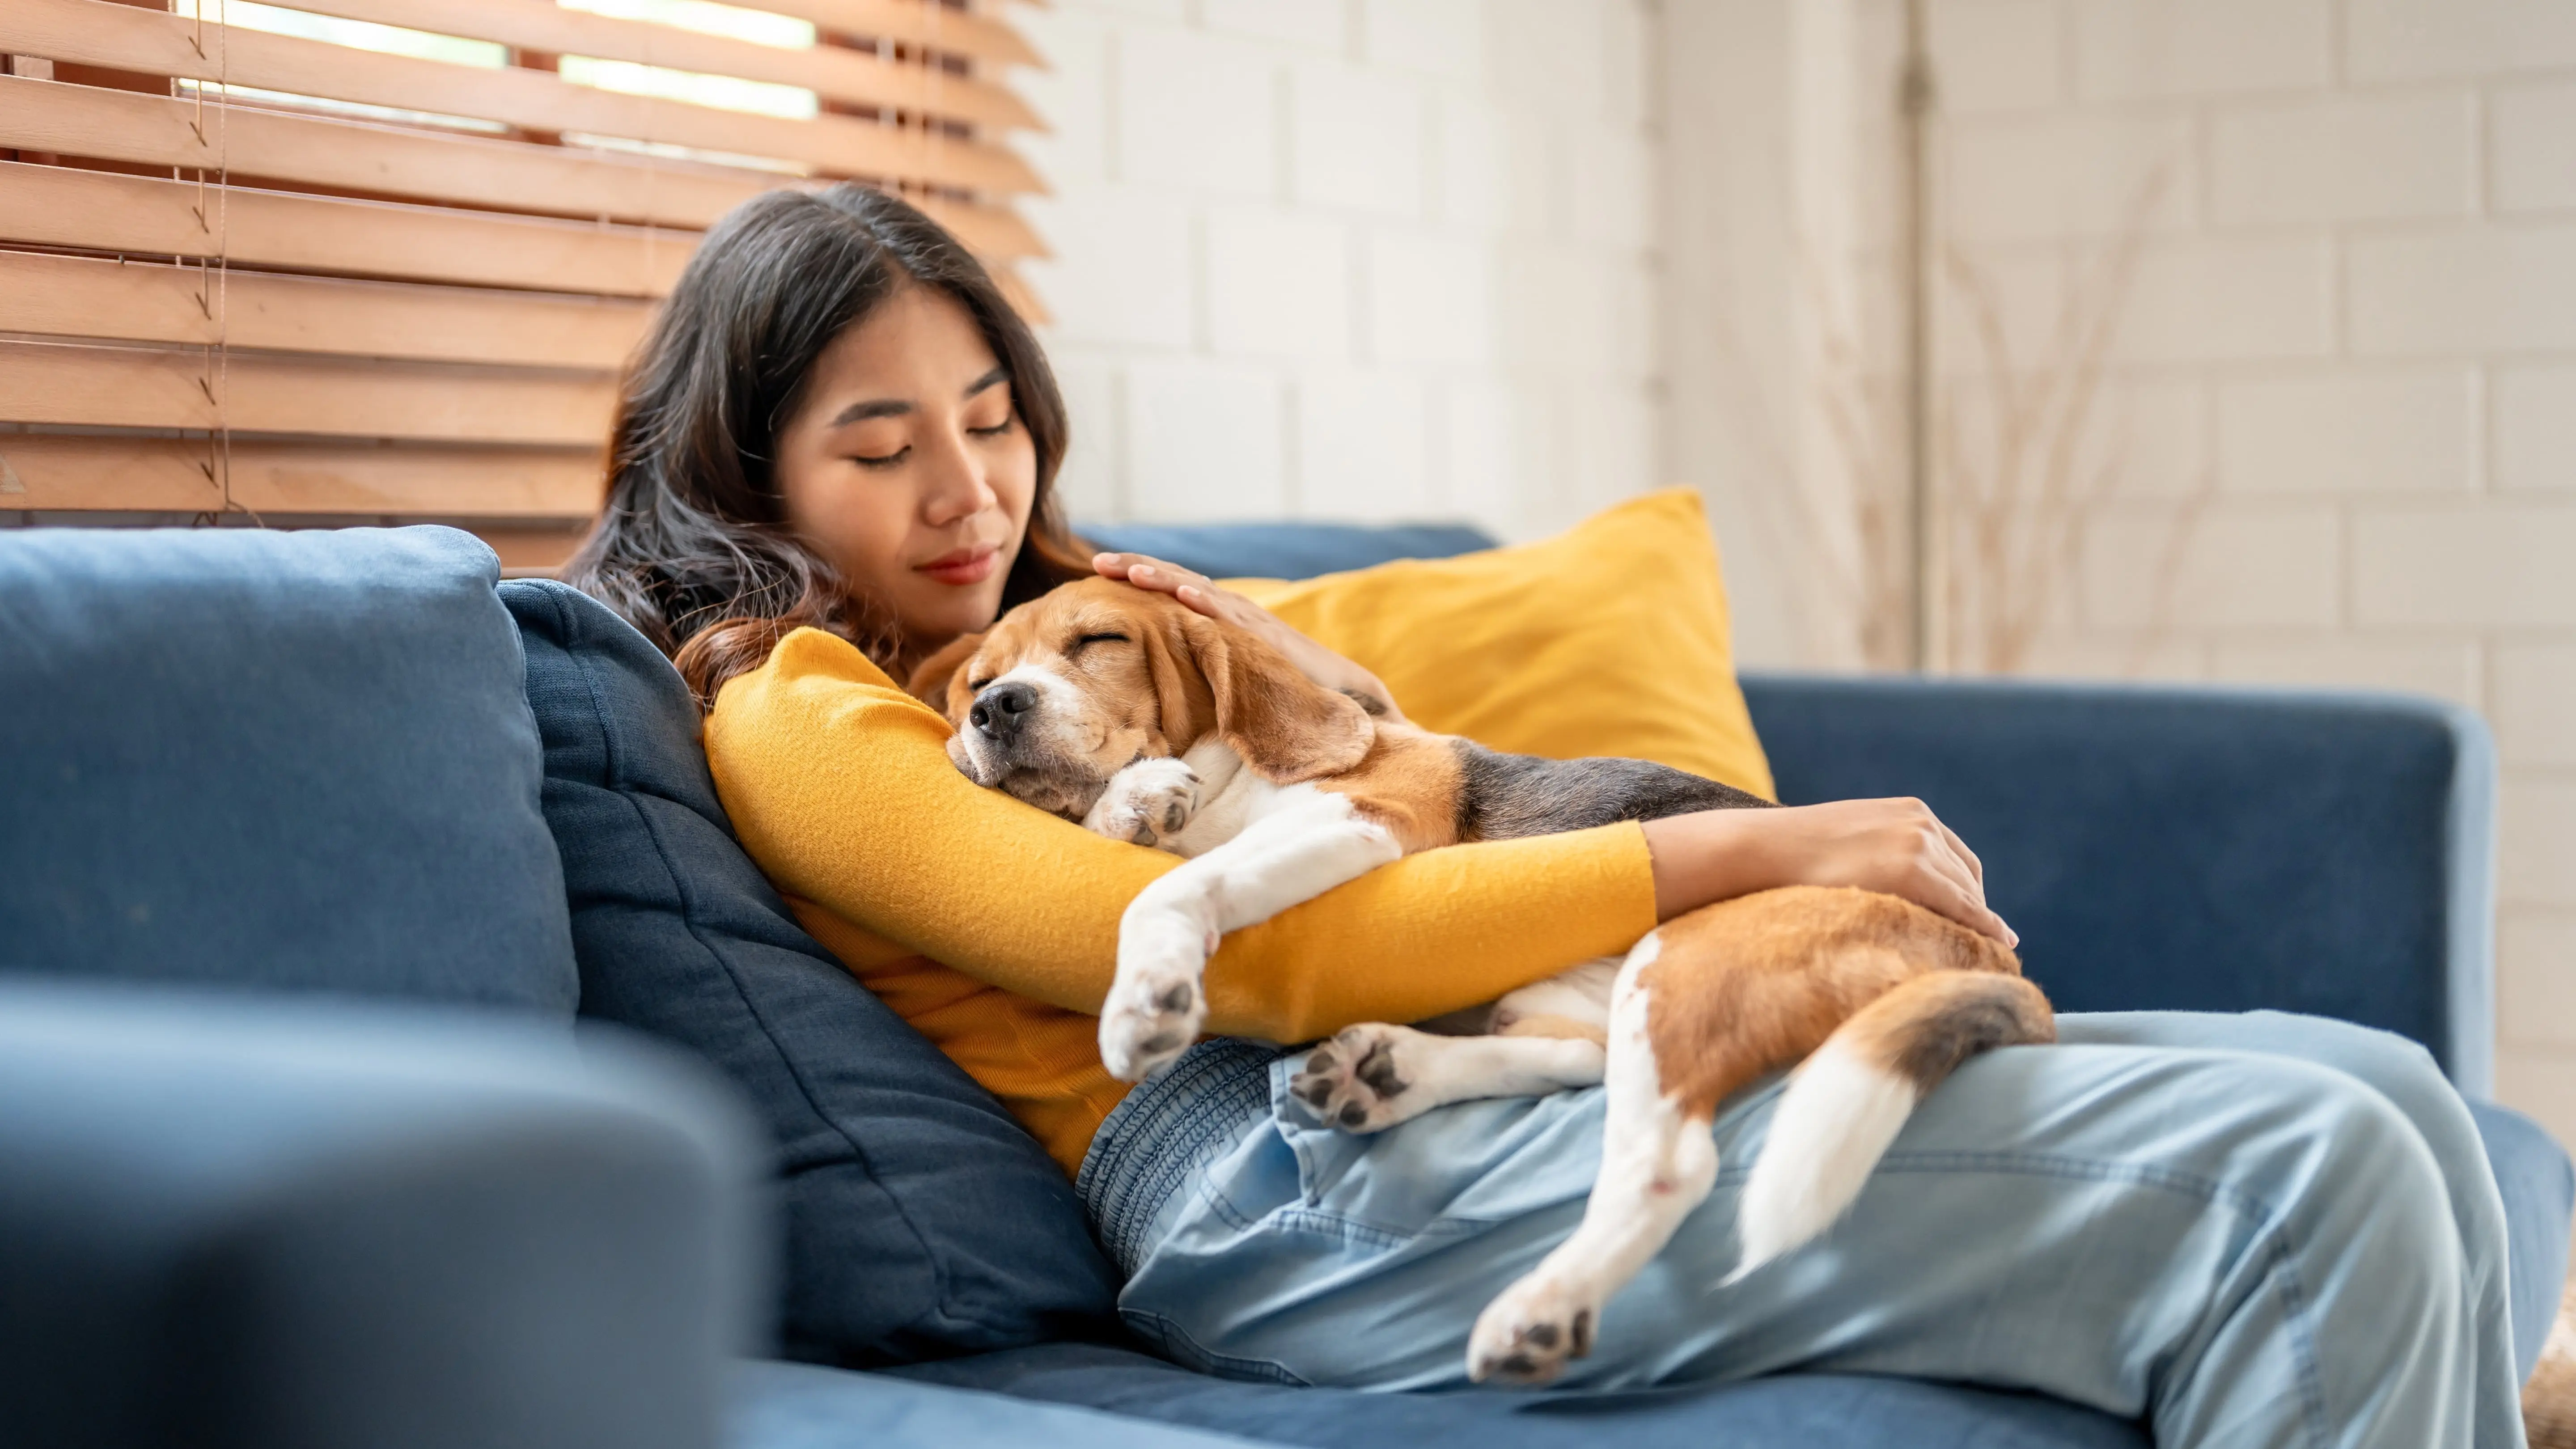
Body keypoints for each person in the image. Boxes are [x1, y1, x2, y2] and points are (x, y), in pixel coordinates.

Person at [567, 183, 2523, 1447]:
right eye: (882, 444)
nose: (965, 490)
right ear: (745, 476)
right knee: (2306, 1177)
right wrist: (1749, 846)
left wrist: (1235, 640)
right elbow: (1236, 952)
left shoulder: (1073, 628)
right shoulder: (799, 708)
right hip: (1278, 1171)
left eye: (991, 418)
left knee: (2393, 1096)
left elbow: (1381, 761)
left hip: (1482, 1069)